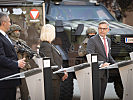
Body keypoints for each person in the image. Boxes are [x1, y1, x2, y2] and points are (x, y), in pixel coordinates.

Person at [87, 20, 116, 100]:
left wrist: (116, 64)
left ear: (108, 30)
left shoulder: (108, 40)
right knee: (95, 96)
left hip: (105, 72)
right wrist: (101, 64)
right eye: (100, 28)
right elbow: (90, 55)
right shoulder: (92, 40)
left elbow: (108, 55)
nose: (102, 30)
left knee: (101, 96)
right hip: (96, 72)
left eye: (104, 28)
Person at [0, 12, 26, 100]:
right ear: (3, 23)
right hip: (5, 81)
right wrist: (16, 64)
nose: (10, 24)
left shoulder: (5, 36)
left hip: (10, 80)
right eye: (9, 22)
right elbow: (1, 58)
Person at [39, 24, 68, 100]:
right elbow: (51, 62)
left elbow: (57, 60)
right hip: (51, 78)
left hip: (55, 77)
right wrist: (61, 73)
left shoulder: (50, 45)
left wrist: (62, 70)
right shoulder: (45, 45)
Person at [7, 24, 31, 100]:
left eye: (19, 31)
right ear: (11, 32)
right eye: (16, 31)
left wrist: (29, 54)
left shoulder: (22, 42)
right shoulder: (8, 42)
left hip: (23, 68)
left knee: (25, 91)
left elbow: (28, 55)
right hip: (13, 68)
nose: (18, 33)